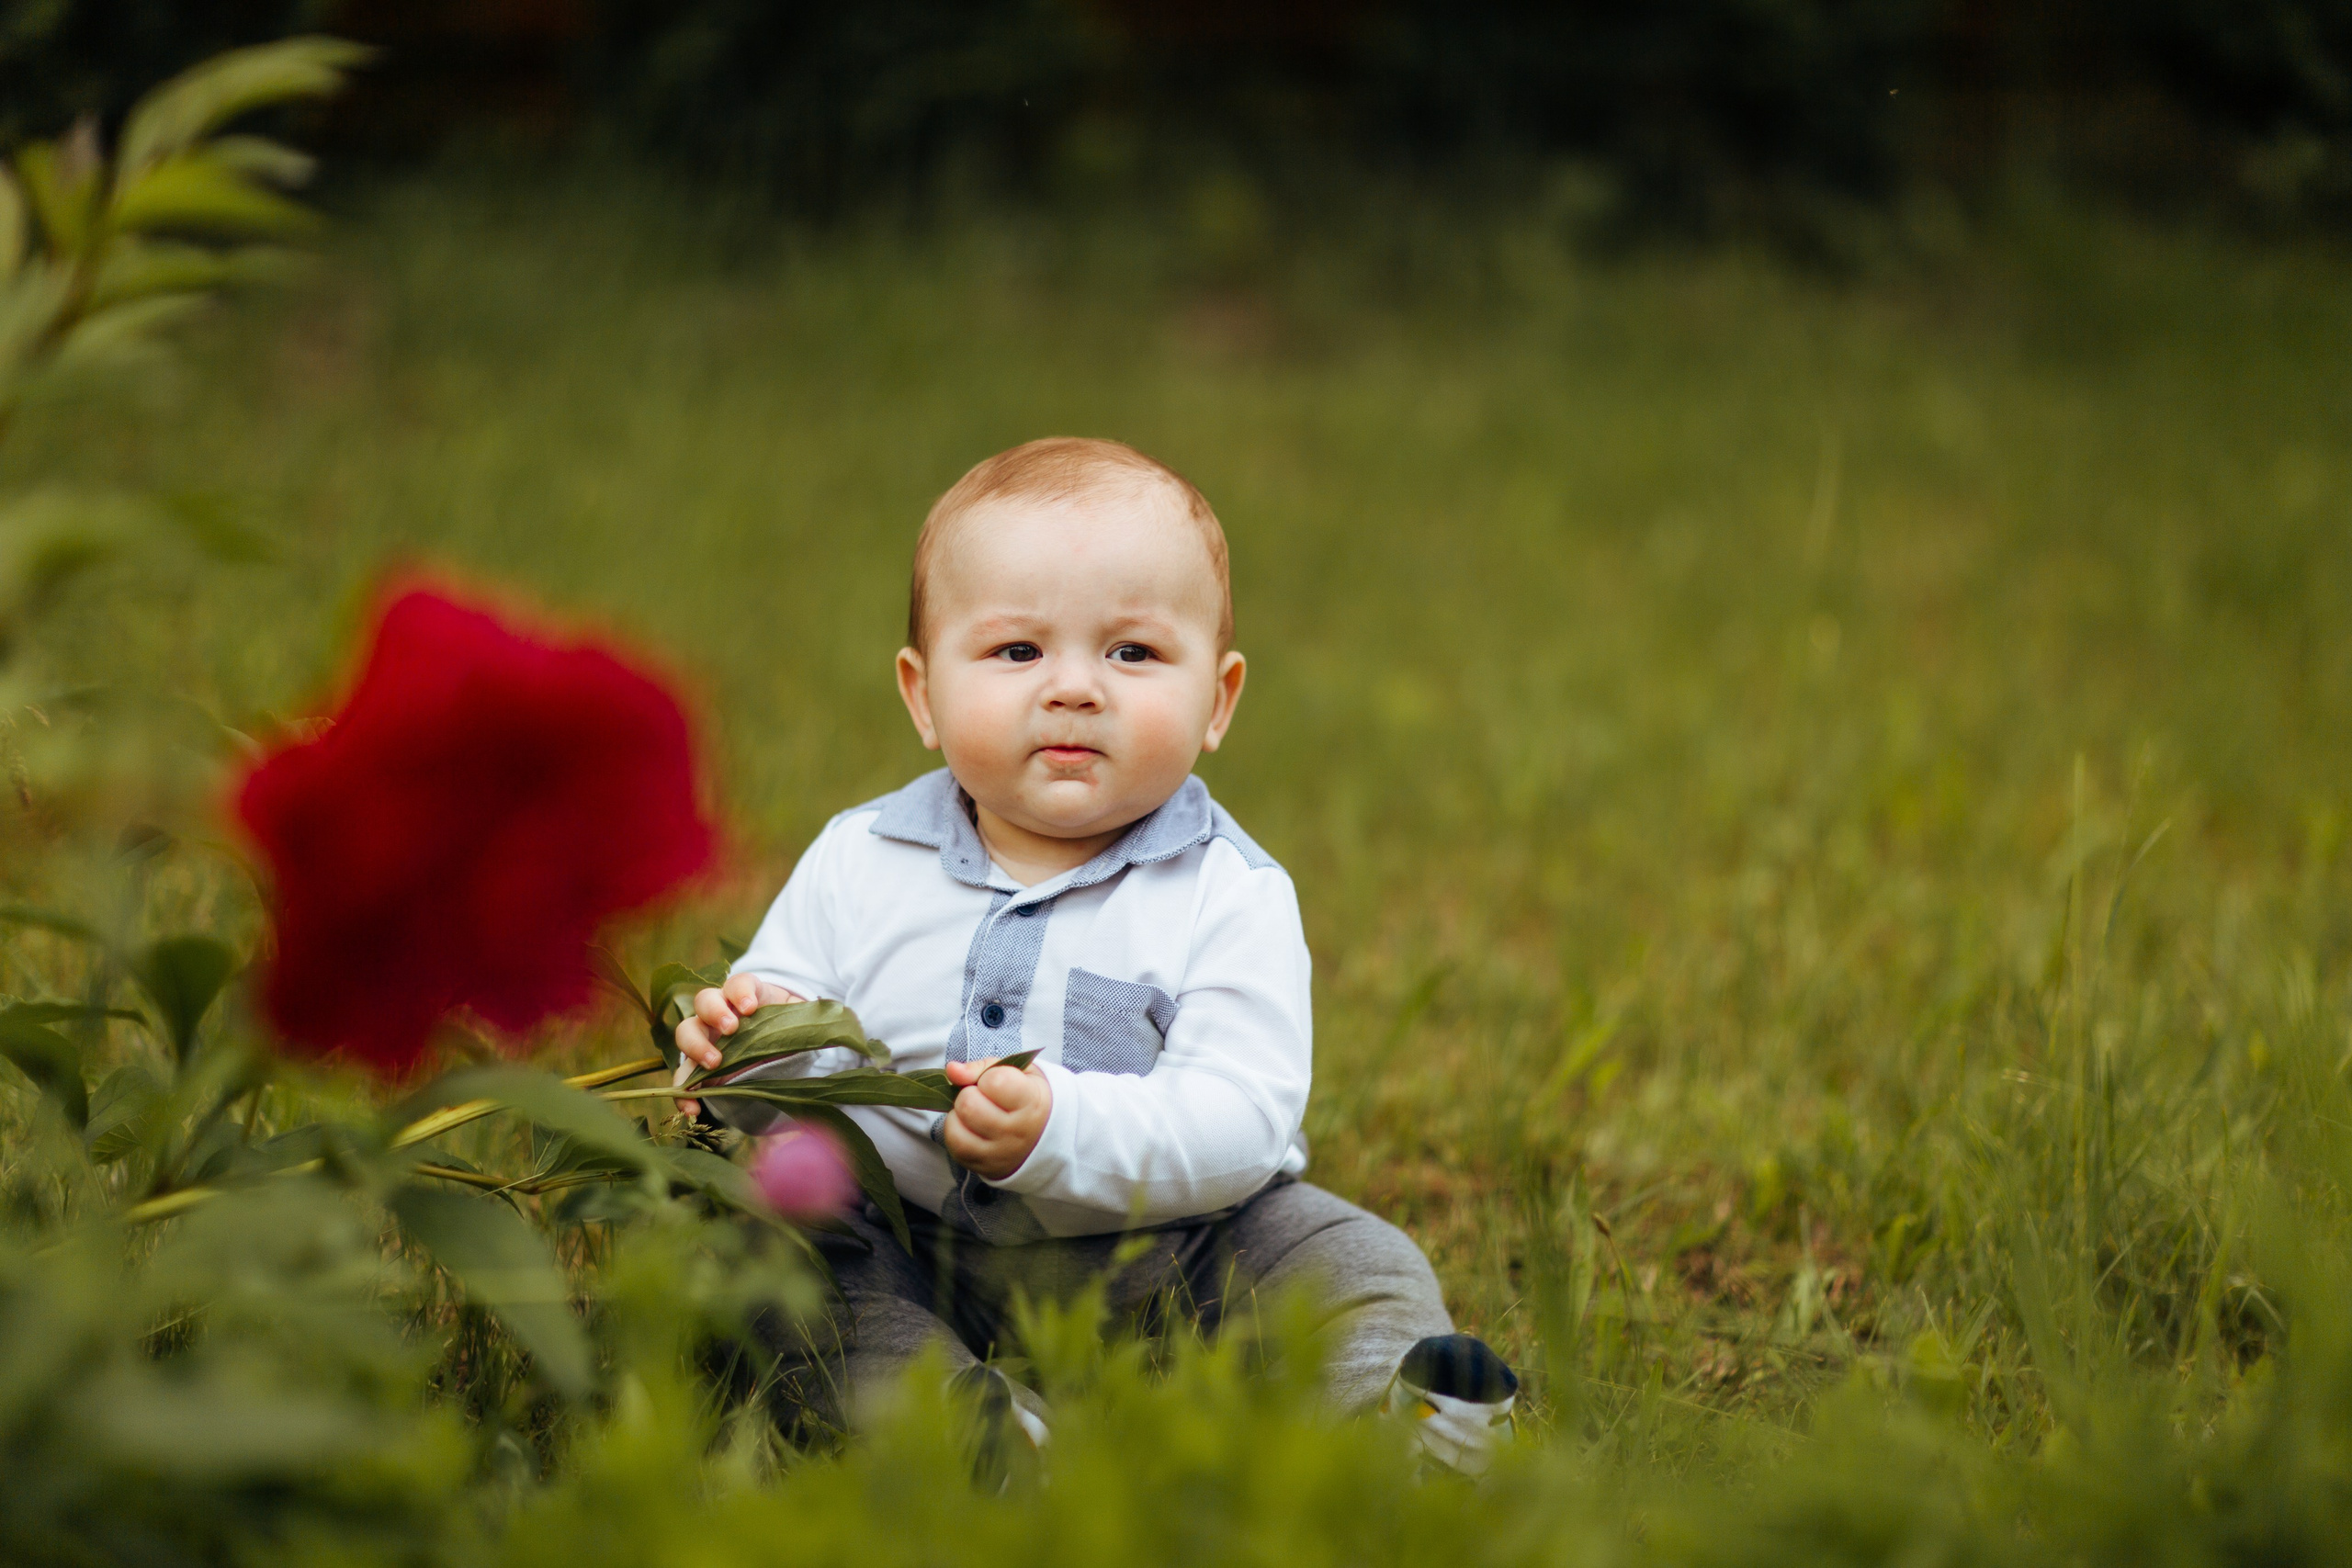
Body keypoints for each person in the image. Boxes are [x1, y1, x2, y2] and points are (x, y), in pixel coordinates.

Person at [675, 436, 1517, 1472]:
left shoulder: (1228, 892)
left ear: (1218, 699)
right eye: (1017, 652)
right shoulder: (864, 858)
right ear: (922, 693)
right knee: (777, 1256)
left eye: (1132, 654)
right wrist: (738, 1050)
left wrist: (1060, 1130)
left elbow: (1244, 1115)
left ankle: (1397, 1421)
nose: (1074, 689)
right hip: (904, 1244)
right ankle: (961, 1427)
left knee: (1347, 1259)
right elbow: (789, 1035)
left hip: (1173, 1254)